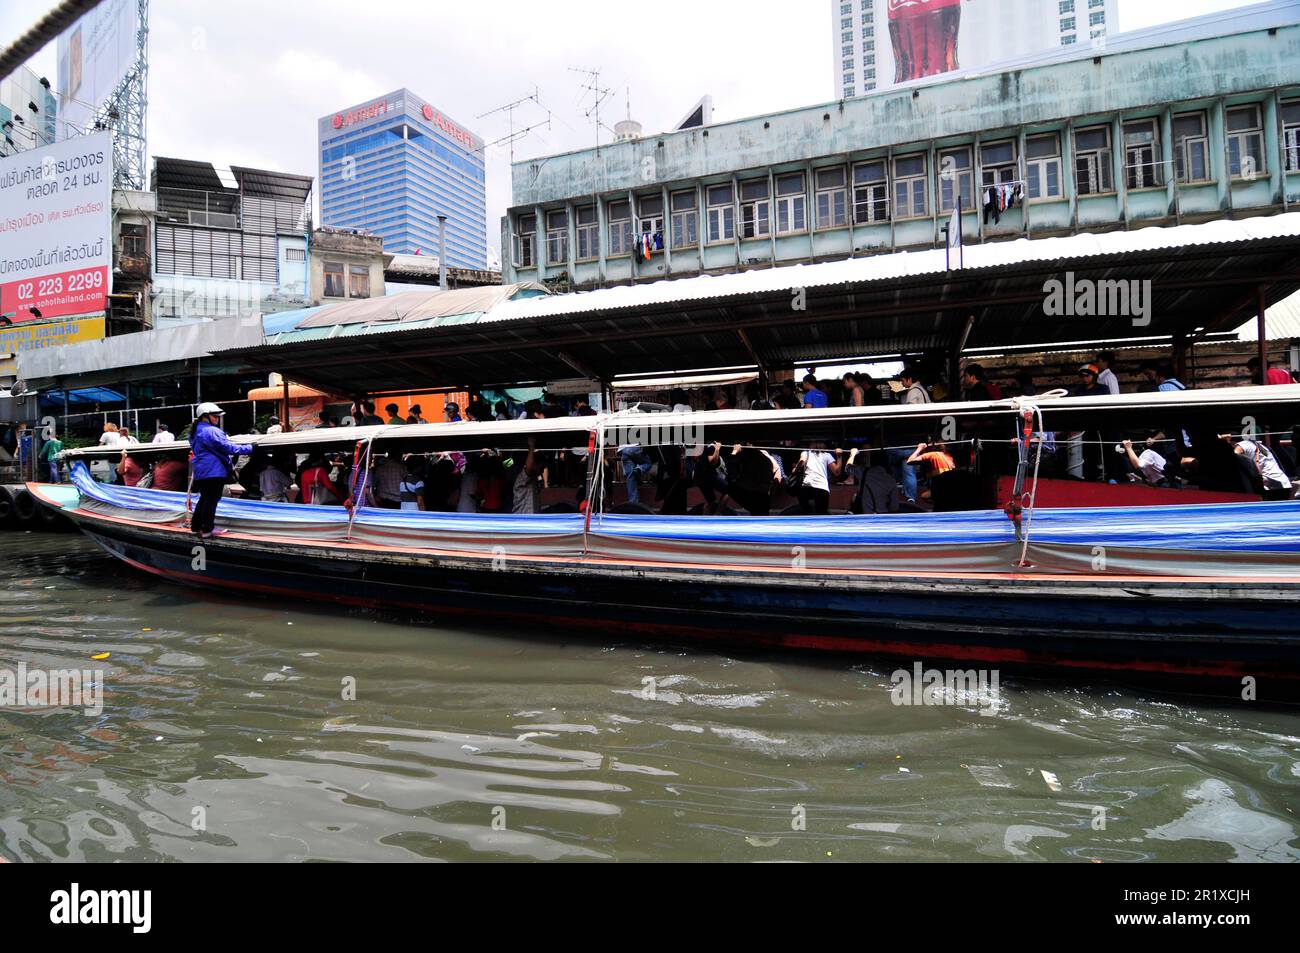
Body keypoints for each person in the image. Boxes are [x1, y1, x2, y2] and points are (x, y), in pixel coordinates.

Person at [188, 403, 253, 538]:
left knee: (205, 498)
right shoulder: (211, 431)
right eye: (215, 416)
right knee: (211, 500)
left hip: (202, 470)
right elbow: (229, 447)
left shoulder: (195, 431)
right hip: (214, 471)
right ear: (205, 417)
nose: (217, 419)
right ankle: (207, 530)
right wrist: (251, 448)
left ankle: (196, 527)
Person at [795, 444, 844, 514]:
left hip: (806, 487)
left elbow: (802, 461)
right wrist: (839, 456)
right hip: (822, 488)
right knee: (821, 514)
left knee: (807, 513)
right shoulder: (827, 455)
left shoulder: (805, 453)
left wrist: (795, 469)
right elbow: (837, 472)